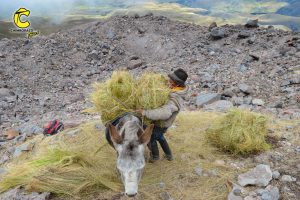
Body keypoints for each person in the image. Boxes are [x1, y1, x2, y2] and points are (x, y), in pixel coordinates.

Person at [136, 68, 188, 163]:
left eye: (170, 80)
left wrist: (145, 112)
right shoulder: (175, 89)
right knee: (160, 137)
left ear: (176, 83)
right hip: (163, 124)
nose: (168, 81)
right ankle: (169, 155)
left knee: (151, 138)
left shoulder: (175, 98)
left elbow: (164, 113)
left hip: (162, 123)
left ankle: (155, 157)